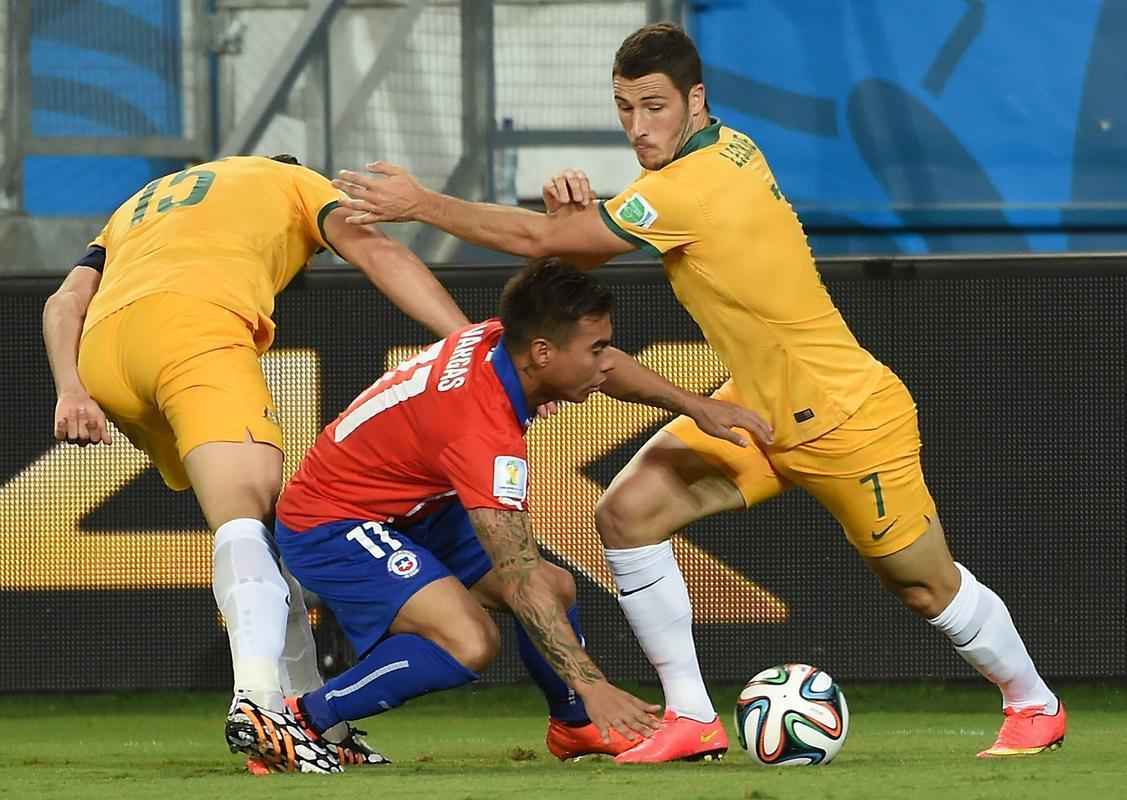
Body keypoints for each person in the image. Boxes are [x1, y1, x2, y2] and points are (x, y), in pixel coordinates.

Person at [329, 24, 1066, 763]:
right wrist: (571, 218)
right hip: (755, 408)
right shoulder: (720, 148)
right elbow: (585, 229)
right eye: (623, 108)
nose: (638, 126)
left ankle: (1033, 704)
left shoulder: (697, 185)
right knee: (626, 515)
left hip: (845, 417)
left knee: (922, 585)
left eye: (654, 106)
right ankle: (689, 716)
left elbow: (541, 245)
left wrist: (422, 203)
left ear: (695, 98)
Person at [42, 154, 472, 774]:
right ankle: (260, 706)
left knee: (265, 530)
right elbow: (380, 252)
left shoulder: (140, 204)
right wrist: (467, 341)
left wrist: (71, 390)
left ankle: (312, 723)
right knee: (248, 520)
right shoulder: (293, 181)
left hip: (103, 356)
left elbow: (63, 301)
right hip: (193, 327)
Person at [272, 259, 773, 761]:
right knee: (468, 641)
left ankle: (575, 725)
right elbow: (517, 575)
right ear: (542, 353)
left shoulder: (504, 346)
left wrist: (694, 405)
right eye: (595, 349)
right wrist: (595, 682)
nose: (605, 362)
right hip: (330, 522)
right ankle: (301, 719)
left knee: (555, 588)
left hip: (412, 508)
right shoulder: (482, 431)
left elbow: (612, 368)